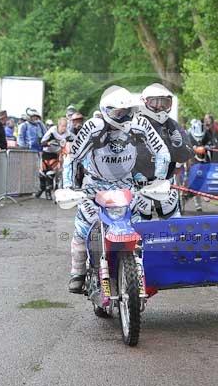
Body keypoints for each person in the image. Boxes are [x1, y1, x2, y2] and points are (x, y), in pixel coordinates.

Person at [64, 86, 169, 293]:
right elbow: (72, 156)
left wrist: (158, 180)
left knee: (139, 226)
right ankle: (78, 272)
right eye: (117, 112)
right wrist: (69, 187)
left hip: (127, 184)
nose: (122, 117)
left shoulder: (140, 124)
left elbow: (161, 151)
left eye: (126, 112)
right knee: (84, 226)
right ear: (105, 110)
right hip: (94, 186)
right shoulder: (93, 127)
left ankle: (144, 269)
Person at [134, 83, 190, 218]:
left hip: (165, 183)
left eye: (164, 103)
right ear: (145, 102)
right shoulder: (134, 123)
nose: (160, 107)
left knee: (172, 222)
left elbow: (187, 152)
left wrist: (178, 146)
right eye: (155, 102)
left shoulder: (171, 125)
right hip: (137, 184)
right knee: (139, 223)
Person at [38, 117, 74, 199]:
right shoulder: (52, 131)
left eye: (66, 126)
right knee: (42, 173)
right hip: (46, 153)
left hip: (55, 155)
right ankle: (41, 189)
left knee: (50, 174)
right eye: (62, 126)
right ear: (59, 125)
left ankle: (48, 193)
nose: (64, 128)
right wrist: (48, 143)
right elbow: (41, 142)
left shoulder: (68, 134)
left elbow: (76, 139)